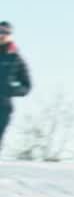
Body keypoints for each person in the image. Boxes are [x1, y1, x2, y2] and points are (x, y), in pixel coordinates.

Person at [0, 21, 32, 150]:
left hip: (3, 107)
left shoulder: (15, 58)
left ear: (10, 35)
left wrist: (11, 90)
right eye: (0, 31)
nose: (2, 35)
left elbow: (27, 86)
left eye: (5, 32)